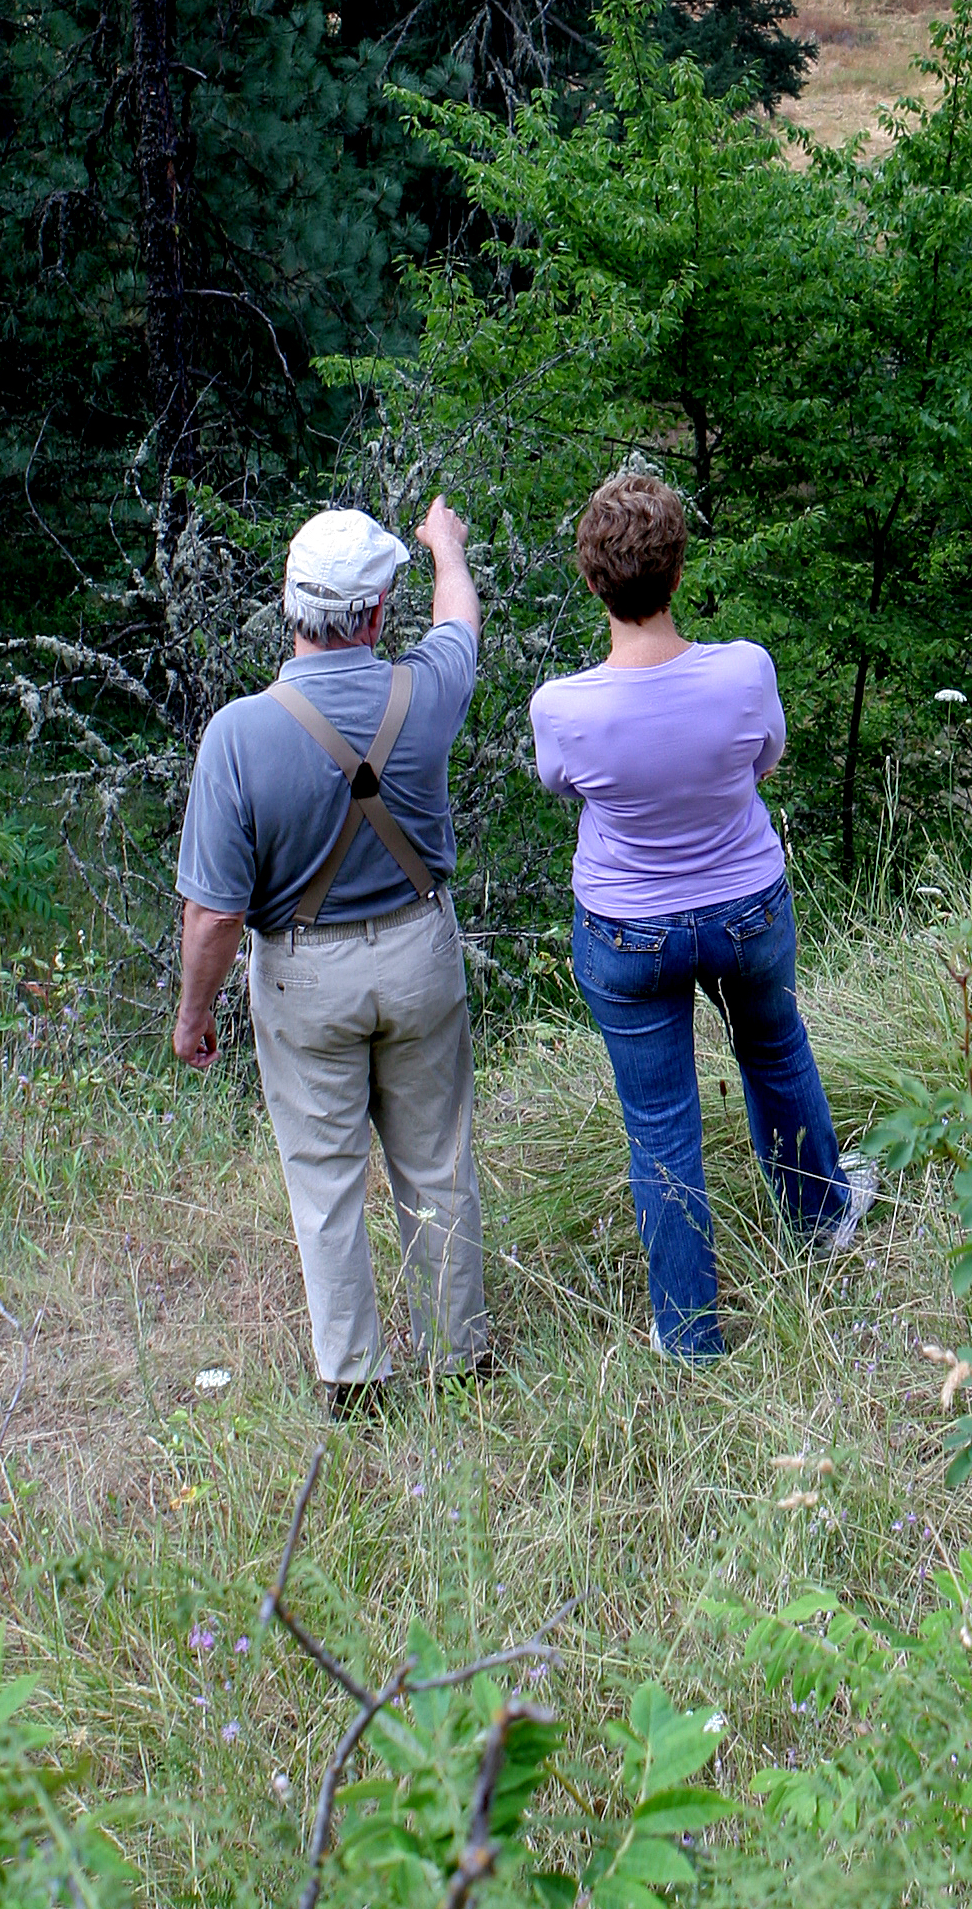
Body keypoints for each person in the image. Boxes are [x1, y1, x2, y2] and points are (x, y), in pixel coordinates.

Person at [530, 471, 875, 1359]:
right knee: (774, 1049)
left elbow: (563, 787)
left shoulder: (563, 708)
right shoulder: (744, 669)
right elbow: (764, 760)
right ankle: (821, 1216)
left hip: (626, 930)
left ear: (592, 580)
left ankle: (687, 1329)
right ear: (679, 573)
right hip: (744, 908)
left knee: (659, 1126)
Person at [173, 497, 491, 1407]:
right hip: (420, 953)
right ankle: (459, 1357)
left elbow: (212, 917)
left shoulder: (238, 734)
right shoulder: (424, 692)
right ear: (380, 613)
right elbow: (459, 617)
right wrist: (446, 547)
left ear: (289, 604)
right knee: (437, 1163)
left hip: (306, 974)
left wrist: (194, 1016)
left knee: (324, 1180)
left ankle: (351, 1379)